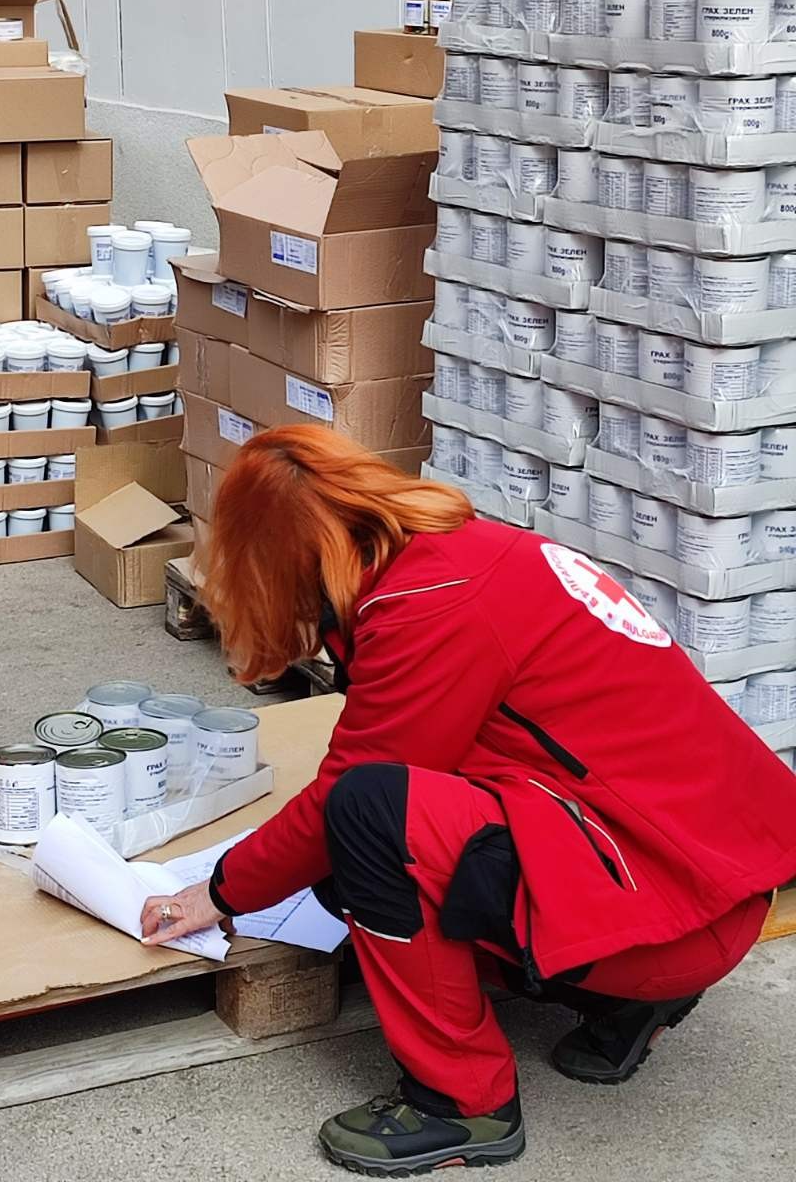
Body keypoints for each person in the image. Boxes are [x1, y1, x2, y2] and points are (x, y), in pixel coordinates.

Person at [141, 426, 796, 1176]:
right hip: (708, 887)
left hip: (672, 928)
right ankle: (624, 1005)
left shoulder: (426, 605)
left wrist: (217, 892)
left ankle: (461, 1101)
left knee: (365, 819)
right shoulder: (466, 555)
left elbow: (347, 794)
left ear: (281, 557)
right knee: (358, 847)